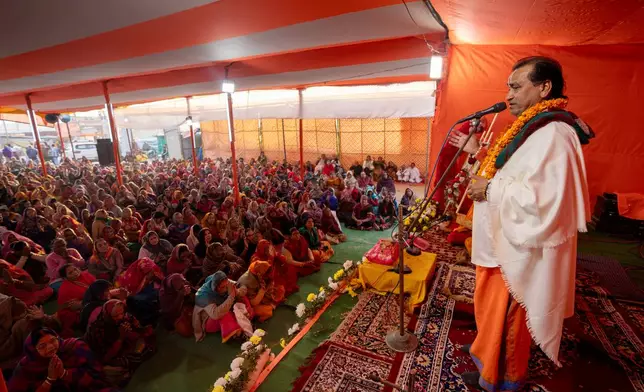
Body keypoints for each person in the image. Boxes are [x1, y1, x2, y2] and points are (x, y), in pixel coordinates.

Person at [462, 56, 593, 391]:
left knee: (507, 318)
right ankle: (484, 356)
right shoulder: (534, 128)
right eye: (508, 86)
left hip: (520, 248)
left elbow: (547, 200)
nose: (508, 94)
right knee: (489, 309)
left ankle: (500, 379)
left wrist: (488, 187)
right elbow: (512, 174)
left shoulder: (556, 135)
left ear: (544, 87)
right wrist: (480, 161)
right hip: (502, 239)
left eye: (517, 86)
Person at [8, 327, 117, 392]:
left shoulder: (75, 347)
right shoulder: (26, 367)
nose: (50, 347)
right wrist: (49, 380)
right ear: (33, 351)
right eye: (42, 346)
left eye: (52, 341)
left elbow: (98, 376)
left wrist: (65, 374)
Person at [84, 300, 155, 385]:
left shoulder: (124, 316)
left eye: (122, 313)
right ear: (108, 315)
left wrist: (137, 327)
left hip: (120, 346)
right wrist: (121, 337)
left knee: (143, 340)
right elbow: (106, 357)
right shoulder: (98, 330)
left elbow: (138, 328)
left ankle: (134, 359)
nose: (120, 317)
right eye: (116, 316)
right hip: (102, 355)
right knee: (120, 365)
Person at [192, 271, 253, 342]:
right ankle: (237, 334)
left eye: (226, 286)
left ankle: (246, 324)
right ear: (216, 287)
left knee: (241, 300)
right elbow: (216, 314)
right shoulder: (203, 296)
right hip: (208, 320)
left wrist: (238, 290)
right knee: (225, 314)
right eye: (222, 287)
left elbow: (238, 290)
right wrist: (231, 297)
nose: (225, 289)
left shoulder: (223, 281)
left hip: (222, 308)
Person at [116, 258, 163, 326]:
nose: (152, 273)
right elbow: (132, 295)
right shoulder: (132, 280)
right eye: (149, 272)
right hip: (136, 301)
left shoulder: (150, 270)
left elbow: (159, 278)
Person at [56, 265, 95, 337]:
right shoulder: (65, 290)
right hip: (75, 313)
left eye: (75, 269)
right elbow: (73, 307)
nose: (75, 272)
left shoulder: (86, 274)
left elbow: (97, 287)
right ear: (65, 278)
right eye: (70, 273)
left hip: (87, 303)